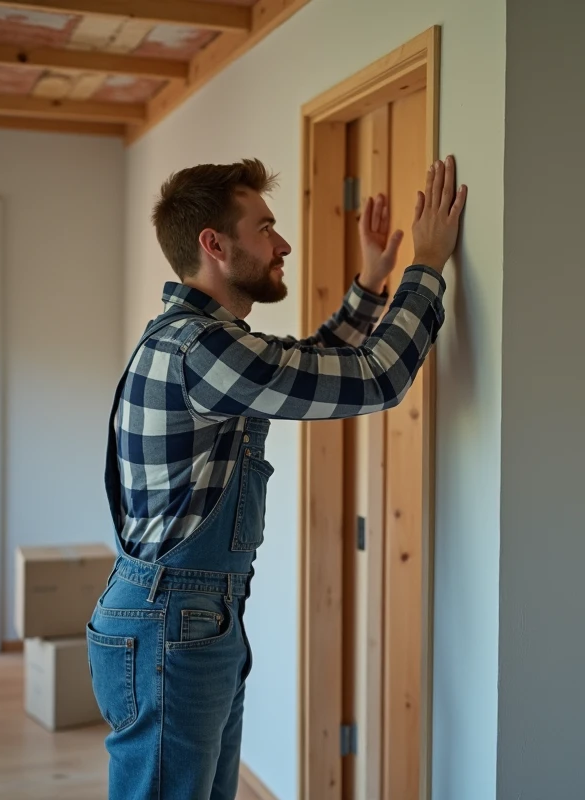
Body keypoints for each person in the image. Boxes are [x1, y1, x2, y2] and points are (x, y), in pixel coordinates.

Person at [88, 154, 467, 799]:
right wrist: (425, 266)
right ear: (215, 244)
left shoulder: (200, 342)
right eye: (265, 227)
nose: (283, 243)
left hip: (187, 619)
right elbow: (375, 378)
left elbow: (312, 364)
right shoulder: (200, 350)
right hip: (172, 625)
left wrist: (373, 285)